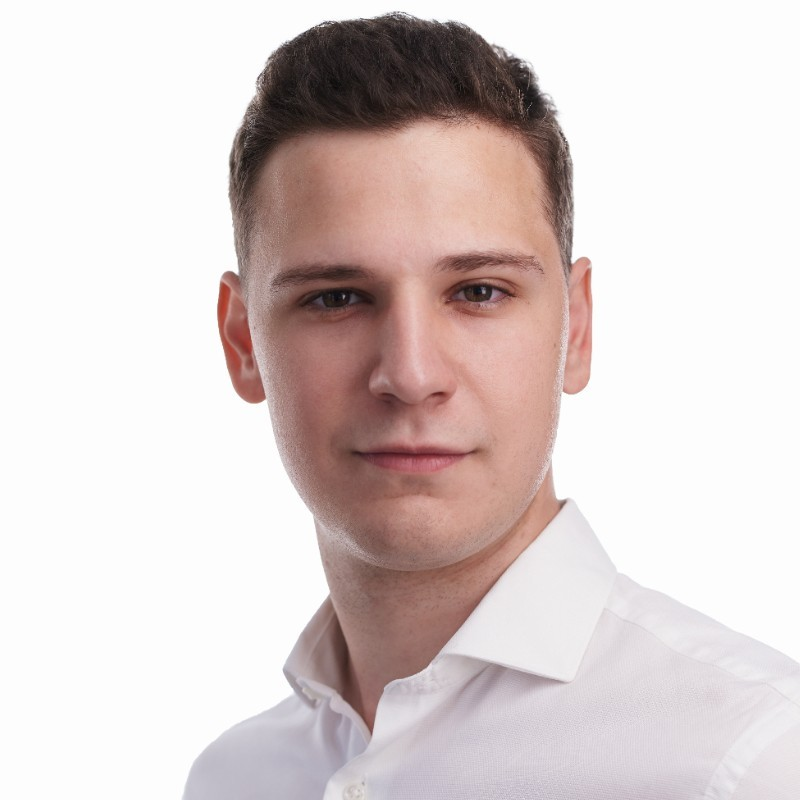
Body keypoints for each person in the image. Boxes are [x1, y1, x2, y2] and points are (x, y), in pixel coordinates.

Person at [184, 13, 800, 799]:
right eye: (337, 297)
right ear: (242, 342)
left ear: (577, 328)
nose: (410, 375)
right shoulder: (234, 778)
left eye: (479, 291)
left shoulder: (749, 762)